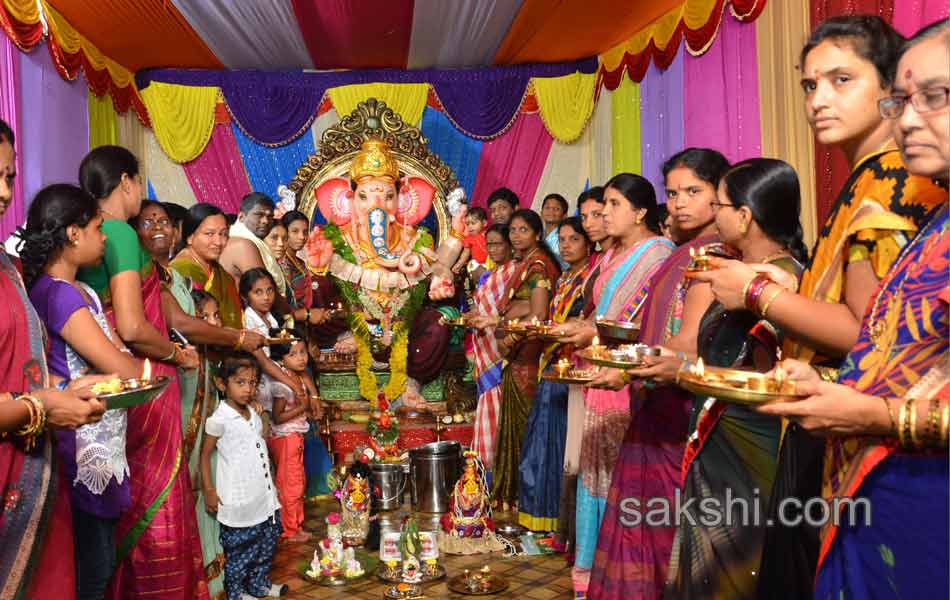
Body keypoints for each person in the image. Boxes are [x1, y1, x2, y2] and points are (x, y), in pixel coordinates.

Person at [687, 18, 947, 597]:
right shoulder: (869, 181)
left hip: (887, 453)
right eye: (809, 85)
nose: (819, 99)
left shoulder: (889, 183)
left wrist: (758, 294)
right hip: (846, 424)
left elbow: (864, 333)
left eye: (841, 80)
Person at [657, 159, 806, 599]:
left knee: (735, 570)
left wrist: (682, 371)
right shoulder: (738, 276)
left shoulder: (779, 282)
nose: (712, 215)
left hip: (751, 449)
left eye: (718, 204)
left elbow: (766, 374)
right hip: (720, 441)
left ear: (744, 216)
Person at [588, 148, 729, 600]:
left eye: (694, 191)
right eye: (673, 193)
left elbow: (689, 342)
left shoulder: (713, 254)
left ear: (720, 195)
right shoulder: (685, 251)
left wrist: (627, 366)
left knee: (663, 528)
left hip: (681, 407)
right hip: (656, 397)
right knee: (645, 525)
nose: (681, 203)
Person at [76, 145, 207, 599]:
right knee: (155, 493)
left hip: (98, 372)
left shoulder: (88, 233)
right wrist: (175, 353)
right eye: (138, 185)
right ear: (126, 182)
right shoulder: (121, 234)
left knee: (121, 497)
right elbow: (132, 325)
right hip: (140, 374)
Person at [134, 200, 264, 599]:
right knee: (186, 475)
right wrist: (238, 339)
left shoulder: (170, 274)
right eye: (147, 221)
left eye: (163, 222)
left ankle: (212, 574)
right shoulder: (151, 277)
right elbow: (182, 325)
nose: (158, 228)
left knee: (199, 471)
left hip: (202, 380)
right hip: (176, 384)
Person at [0, 118, 106, 600]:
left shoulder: (7, 268)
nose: (6, 193)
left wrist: (60, 395)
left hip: (34, 478)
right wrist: (44, 406)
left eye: (8, 177)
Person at [21, 183, 141, 600]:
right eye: (97, 227)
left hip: (101, 437)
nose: (104, 237)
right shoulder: (55, 294)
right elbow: (118, 364)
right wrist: (143, 370)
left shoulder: (81, 291)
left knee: (101, 562)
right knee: (93, 567)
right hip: (80, 440)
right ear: (73, 234)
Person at [569, 174, 674, 597]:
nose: (604, 213)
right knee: (595, 469)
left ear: (641, 211)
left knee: (618, 475)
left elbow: (643, 324)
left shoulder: (658, 253)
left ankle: (620, 571)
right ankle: (592, 569)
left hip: (628, 377)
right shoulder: (613, 253)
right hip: (602, 368)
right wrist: (577, 329)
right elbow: (602, 315)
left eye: (613, 205)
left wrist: (591, 335)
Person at [518, 217, 591, 532]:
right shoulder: (564, 278)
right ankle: (542, 518)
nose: (566, 246)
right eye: (562, 240)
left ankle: (558, 523)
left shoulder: (589, 278)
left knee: (560, 447)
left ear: (588, 243)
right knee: (541, 443)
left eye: (574, 239)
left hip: (572, 366)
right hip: (553, 363)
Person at [487, 209, 561, 510]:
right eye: (513, 230)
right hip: (518, 355)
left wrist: (510, 338)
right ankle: (516, 495)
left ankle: (525, 497)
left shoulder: (539, 266)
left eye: (523, 230)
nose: (517, 236)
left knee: (525, 427)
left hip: (527, 356)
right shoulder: (526, 262)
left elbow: (539, 315)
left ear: (538, 234)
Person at [200, 355, 286, 600]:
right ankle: (236, 592)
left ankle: (259, 584)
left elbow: (261, 440)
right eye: (240, 382)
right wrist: (209, 490)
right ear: (221, 384)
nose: (248, 389)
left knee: (266, 544)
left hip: (264, 495)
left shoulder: (253, 412)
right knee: (240, 550)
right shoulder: (219, 419)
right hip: (239, 497)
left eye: (252, 383)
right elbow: (204, 456)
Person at [467, 224, 517, 471]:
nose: (494, 249)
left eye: (498, 244)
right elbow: (485, 307)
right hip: (484, 345)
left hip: (500, 349)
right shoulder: (491, 274)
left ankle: (494, 471)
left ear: (509, 245)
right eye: (490, 245)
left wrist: (487, 317)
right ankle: (482, 474)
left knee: (497, 409)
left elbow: (508, 311)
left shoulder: (513, 272)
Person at [265, 336, 322, 542]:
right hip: (285, 437)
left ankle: (296, 525)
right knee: (290, 484)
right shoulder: (283, 384)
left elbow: (307, 381)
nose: (300, 358)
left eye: (302, 352)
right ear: (281, 360)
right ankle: (289, 529)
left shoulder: (297, 377)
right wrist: (302, 407)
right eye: (293, 354)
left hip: (293, 436)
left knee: (297, 482)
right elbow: (278, 418)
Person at [240, 268, 307, 403]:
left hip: (278, 375)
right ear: (245, 296)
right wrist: (294, 386)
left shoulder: (271, 318)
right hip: (262, 381)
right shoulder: (249, 320)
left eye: (269, 290)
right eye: (258, 292)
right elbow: (264, 362)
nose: (266, 297)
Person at [220, 193, 288, 297]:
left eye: (270, 217)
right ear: (241, 217)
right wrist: (302, 313)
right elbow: (264, 293)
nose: (265, 221)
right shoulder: (241, 244)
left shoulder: (253, 240)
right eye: (259, 215)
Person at [541, 193, 569, 268]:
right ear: (541, 212)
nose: (551, 211)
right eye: (547, 207)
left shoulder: (565, 237)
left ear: (564, 216)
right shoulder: (538, 234)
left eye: (556, 209)